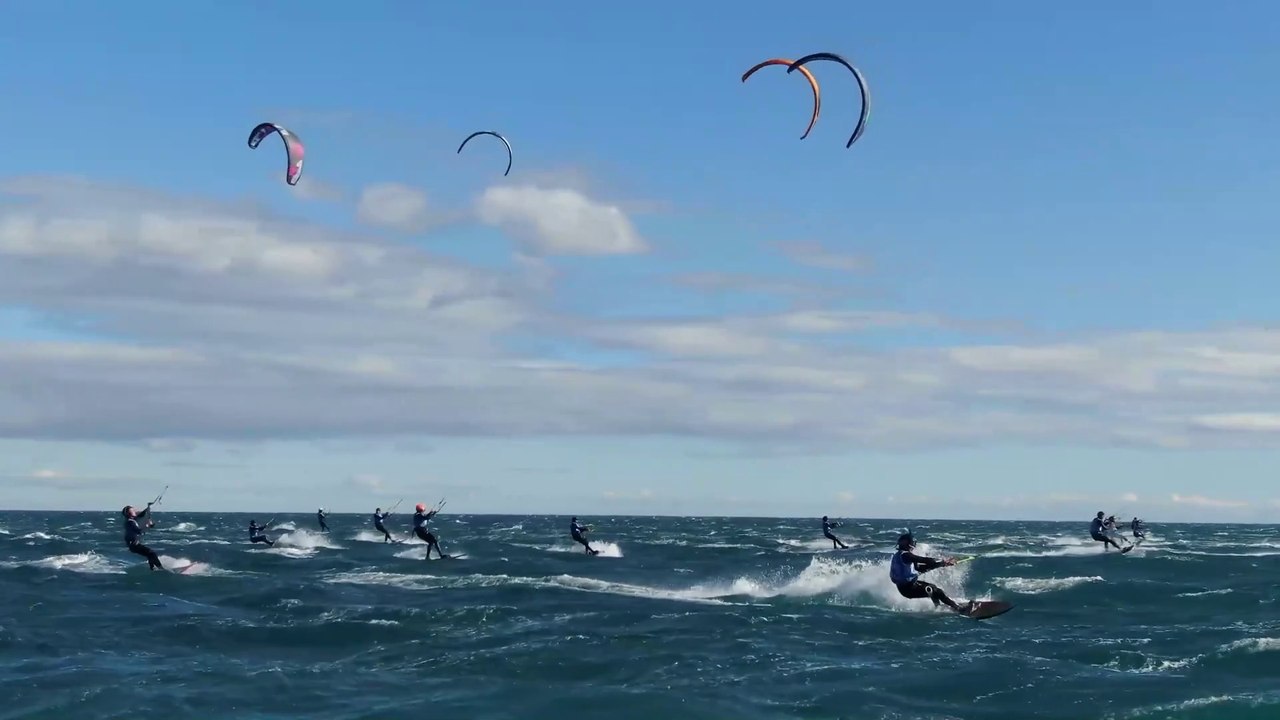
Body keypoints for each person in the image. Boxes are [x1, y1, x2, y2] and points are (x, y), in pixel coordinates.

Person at [889, 532, 969, 613]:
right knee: (937, 591)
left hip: (907, 587)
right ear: (910, 544)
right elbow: (925, 560)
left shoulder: (900, 556)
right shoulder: (905, 555)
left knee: (932, 588)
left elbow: (921, 568)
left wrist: (942, 564)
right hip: (908, 589)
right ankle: (958, 608)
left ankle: (938, 607)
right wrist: (943, 561)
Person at [121, 503, 163, 571]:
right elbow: (139, 531)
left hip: (134, 545)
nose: (135, 511)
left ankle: (153, 568)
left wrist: (148, 507)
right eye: (133, 511)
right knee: (151, 553)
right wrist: (148, 525)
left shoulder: (131, 520)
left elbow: (141, 515)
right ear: (129, 514)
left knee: (149, 554)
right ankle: (160, 568)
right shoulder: (130, 522)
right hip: (134, 545)